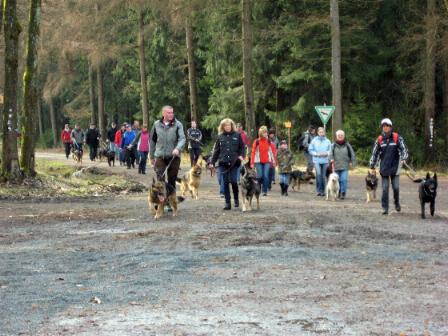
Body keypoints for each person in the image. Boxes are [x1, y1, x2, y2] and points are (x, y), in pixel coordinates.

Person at [369, 118, 408, 215]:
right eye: (383, 126)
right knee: (385, 188)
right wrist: (372, 165)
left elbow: (404, 149)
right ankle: (385, 208)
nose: (385, 128)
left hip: (395, 167)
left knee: (396, 187)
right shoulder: (379, 139)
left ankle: (396, 203)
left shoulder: (397, 137)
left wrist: (404, 158)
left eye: (387, 126)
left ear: (390, 127)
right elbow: (375, 153)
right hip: (384, 168)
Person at [210, 118, 244, 210]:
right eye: (225, 125)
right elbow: (216, 151)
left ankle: (236, 199)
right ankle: (227, 202)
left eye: (229, 125)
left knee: (233, 181)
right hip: (223, 163)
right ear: (223, 127)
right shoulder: (220, 137)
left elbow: (242, 148)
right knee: (224, 183)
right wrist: (212, 162)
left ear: (232, 126)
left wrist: (241, 155)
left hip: (234, 163)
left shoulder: (237, 135)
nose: (227, 127)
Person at [150, 105, 186, 191]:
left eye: (172, 112)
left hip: (174, 156)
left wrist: (178, 148)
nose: (171, 114)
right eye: (168, 113)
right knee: (160, 179)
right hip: (160, 155)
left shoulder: (178, 125)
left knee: (172, 179)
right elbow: (152, 141)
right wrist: (151, 156)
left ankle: (170, 200)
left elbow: (182, 139)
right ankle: (162, 200)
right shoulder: (156, 124)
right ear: (163, 113)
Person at [329, 130, 356, 200]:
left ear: (344, 136)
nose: (340, 136)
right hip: (336, 166)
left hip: (345, 166)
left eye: (341, 135)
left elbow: (352, 154)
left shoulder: (347, 145)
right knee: (336, 181)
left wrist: (353, 163)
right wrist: (331, 159)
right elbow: (330, 154)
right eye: (339, 135)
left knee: (343, 180)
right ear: (336, 136)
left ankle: (343, 193)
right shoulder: (333, 145)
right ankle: (338, 192)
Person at [250, 126, 277, 196]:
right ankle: (258, 188)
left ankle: (264, 191)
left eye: (266, 132)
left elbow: (271, 152)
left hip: (267, 161)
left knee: (265, 176)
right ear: (261, 133)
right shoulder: (256, 142)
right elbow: (253, 152)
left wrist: (274, 161)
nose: (266, 134)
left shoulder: (268, 141)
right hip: (258, 161)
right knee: (260, 176)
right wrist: (252, 163)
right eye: (264, 132)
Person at [308, 127, 331, 196]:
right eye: (320, 132)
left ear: (324, 133)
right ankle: (318, 190)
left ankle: (323, 191)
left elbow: (330, 150)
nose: (321, 133)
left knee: (323, 176)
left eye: (322, 132)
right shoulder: (314, 140)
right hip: (316, 160)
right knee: (318, 175)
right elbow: (310, 150)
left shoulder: (328, 141)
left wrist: (327, 153)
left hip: (325, 161)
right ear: (318, 133)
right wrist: (316, 154)